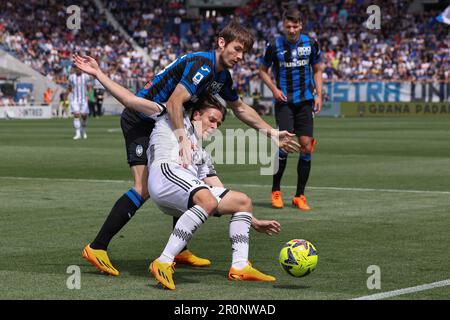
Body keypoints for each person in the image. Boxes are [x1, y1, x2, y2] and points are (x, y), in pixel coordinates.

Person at [74, 21, 299, 276]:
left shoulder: (222, 76)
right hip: (142, 118)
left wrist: (271, 132)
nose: (240, 57)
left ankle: (179, 250)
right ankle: (98, 247)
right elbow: (174, 102)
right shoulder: (202, 64)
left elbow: (239, 108)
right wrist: (184, 141)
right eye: (237, 49)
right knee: (143, 187)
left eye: (244, 53)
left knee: (188, 176)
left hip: (167, 121)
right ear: (221, 43)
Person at [144, 94, 281, 290]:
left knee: (242, 202)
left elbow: (221, 190)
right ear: (196, 115)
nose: (215, 127)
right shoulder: (174, 120)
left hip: (183, 188)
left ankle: (240, 266)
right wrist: (97, 74)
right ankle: (163, 261)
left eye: (219, 123)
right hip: (164, 176)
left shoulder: (202, 154)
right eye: (212, 120)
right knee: (207, 200)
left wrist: (255, 221)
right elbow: (133, 101)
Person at [259, 9, 323, 211]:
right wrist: (274, 89)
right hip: (284, 101)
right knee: (285, 144)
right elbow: (262, 71)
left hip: (305, 101)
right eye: (288, 26)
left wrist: (319, 94)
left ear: (301, 25)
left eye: (295, 26)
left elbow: (318, 69)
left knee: (306, 146)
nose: (292, 30)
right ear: (283, 26)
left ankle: (299, 195)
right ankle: (276, 190)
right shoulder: (274, 45)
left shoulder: (311, 43)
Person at [68, 68, 90, 140]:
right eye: (77, 68)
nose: (79, 70)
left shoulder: (86, 77)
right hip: (75, 99)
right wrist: (71, 94)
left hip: (84, 99)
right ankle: (77, 133)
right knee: (76, 114)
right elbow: (69, 87)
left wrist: (88, 96)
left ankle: (83, 130)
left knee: (84, 116)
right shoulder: (71, 77)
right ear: (75, 69)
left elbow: (89, 87)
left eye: (80, 69)